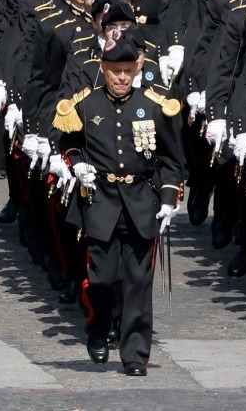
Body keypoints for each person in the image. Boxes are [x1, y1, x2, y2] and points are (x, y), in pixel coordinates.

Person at [48, 33, 187, 374]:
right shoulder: (86, 103)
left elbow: (172, 159)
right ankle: (98, 328)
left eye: (128, 70)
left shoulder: (155, 104)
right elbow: (67, 139)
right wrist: (76, 162)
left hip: (141, 201)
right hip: (101, 200)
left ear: (138, 68)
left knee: (138, 283)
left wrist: (169, 198)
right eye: (115, 71)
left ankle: (135, 355)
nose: (122, 77)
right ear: (103, 69)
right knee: (102, 280)